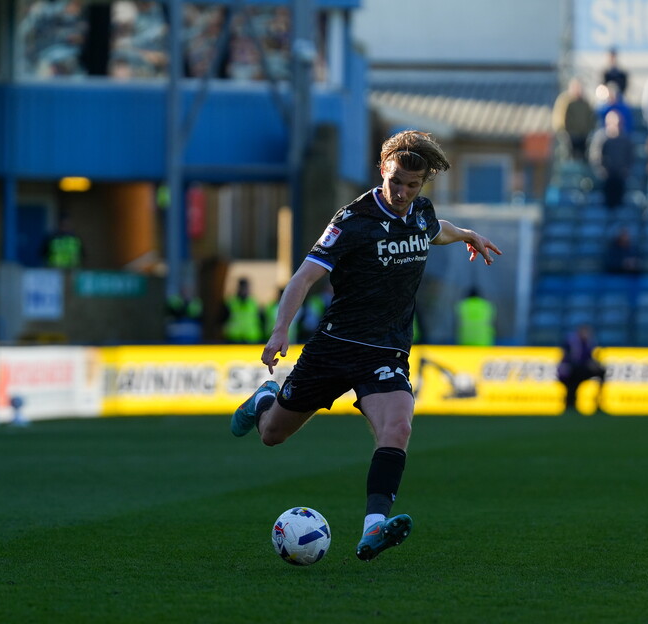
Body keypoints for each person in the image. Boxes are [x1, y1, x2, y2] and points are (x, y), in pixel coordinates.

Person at [230, 130, 502, 562]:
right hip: (335, 346)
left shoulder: (420, 212)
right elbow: (303, 277)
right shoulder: (352, 220)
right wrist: (280, 330)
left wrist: (468, 233)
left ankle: (373, 527)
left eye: (412, 186)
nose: (402, 193)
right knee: (272, 435)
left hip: (386, 351)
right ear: (382, 170)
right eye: (396, 182)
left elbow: (437, 231)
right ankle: (265, 399)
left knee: (399, 428)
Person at [589, 109, 633, 210]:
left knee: (619, 202)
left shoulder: (625, 139)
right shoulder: (601, 138)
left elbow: (630, 156)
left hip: (620, 176)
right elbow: (595, 156)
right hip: (605, 177)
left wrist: (626, 170)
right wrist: (602, 170)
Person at [557, 325, 606, 413]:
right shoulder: (571, 342)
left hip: (582, 369)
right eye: (584, 332)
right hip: (571, 370)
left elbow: (590, 358)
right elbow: (569, 359)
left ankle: (598, 401)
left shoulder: (589, 343)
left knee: (601, 371)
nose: (586, 334)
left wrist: (593, 364)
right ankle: (570, 404)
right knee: (573, 378)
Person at [552, 78, 595, 162]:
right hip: (569, 135)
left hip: (583, 135)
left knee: (583, 157)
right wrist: (562, 131)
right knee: (568, 156)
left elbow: (590, 118)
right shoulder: (564, 100)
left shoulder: (585, 102)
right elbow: (559, 117)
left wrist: (589, 130)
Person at [222, 277, 263, 344]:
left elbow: (261, 320)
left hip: (251, 338)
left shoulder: (254, 303)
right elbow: (222, 319)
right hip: (234, 338)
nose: (244, 290)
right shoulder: (231, 303)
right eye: (243, 288)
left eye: (246, 288)